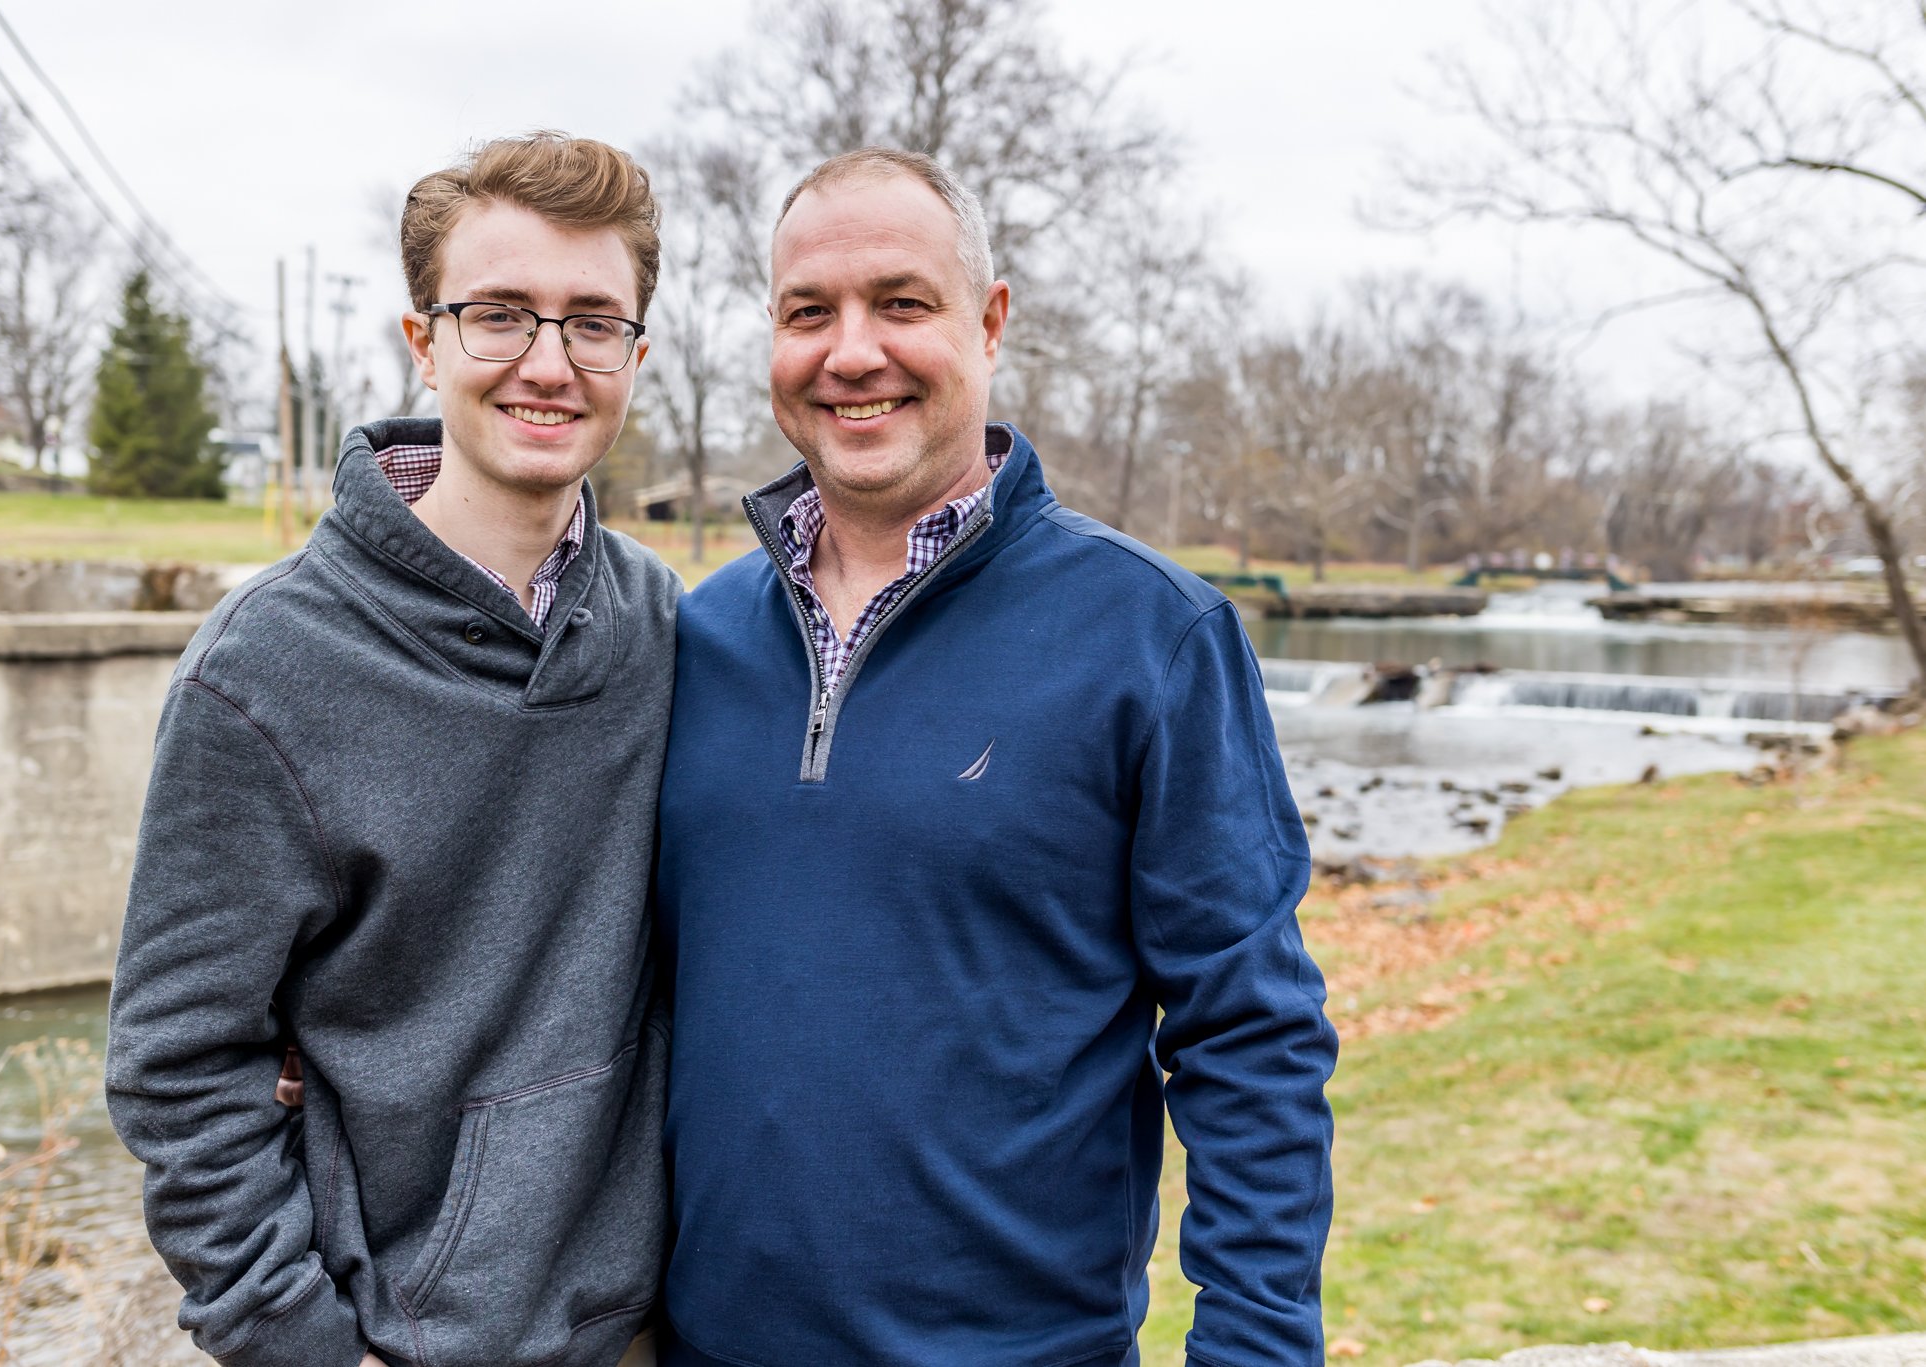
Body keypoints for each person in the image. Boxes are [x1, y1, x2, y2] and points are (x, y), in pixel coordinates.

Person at [653, 148, 1338, 1367]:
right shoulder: (691, 641)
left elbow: (1252, 1034)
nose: (850, 350)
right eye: (808, 312)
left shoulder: (1150, 635)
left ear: (990, 319)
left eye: (901, 302)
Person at [105, 132, 677, 1367]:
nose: (548, 361)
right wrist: (300, 1343)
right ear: (422, 341)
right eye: (500, 315)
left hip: (650, 1325)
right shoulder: (261, 672)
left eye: (592, 322)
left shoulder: (665, 630)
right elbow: (176, 1066)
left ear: (637, 353)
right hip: (406, 1339)